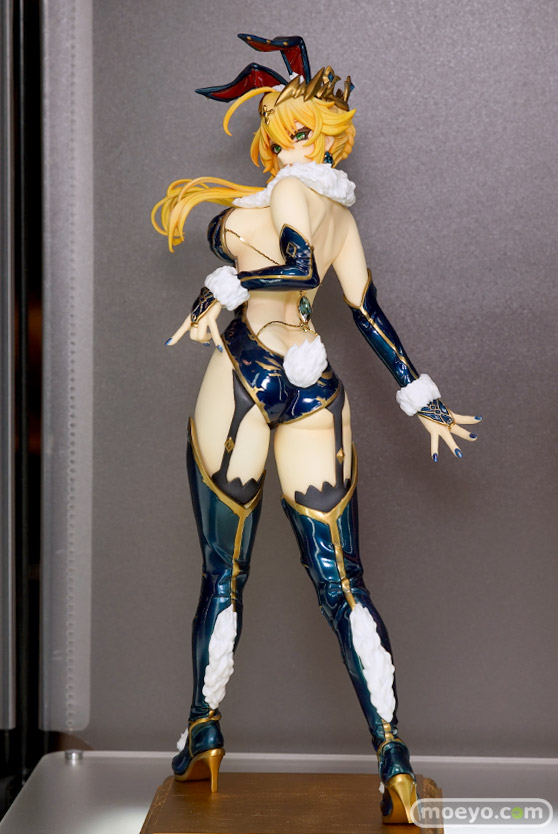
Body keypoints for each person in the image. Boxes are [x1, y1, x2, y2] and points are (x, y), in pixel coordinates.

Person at [152, 34, 480, 824]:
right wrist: (420, 396)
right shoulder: (336, 212)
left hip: (242, 375)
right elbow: (367, 312)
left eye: (306, 133)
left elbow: (297, 270)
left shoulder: (297, 195)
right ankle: (394, 763)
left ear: (330, 137)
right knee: (342, 582)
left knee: (224, 572)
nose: (295, 147)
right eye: (285, 136)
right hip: (312, 390)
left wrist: (221, 288)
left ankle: (204, 732)